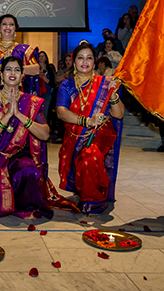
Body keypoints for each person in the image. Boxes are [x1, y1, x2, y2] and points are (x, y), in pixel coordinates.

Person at [0, 56, 79, 219]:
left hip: (19, 154)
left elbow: (45, 133)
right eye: (8, 69)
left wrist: (20, 115)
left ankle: (23, 204)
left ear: (22, 77)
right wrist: (7, 116)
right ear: (1, 75)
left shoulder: (31, 102)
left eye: (17, 70)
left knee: (29, 171)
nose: (12, 73)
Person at [56, 41, 124, 214]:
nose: (84, 62)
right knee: (81, 161)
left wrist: (113, 95)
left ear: (95, 62)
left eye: (89, 58)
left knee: (89, 156)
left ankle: (93, 199)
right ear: (74, 61)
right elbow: (61, 112)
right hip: (76, 135)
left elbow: (119, 114)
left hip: (100, 133)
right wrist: (87, 121)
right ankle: (85, 190)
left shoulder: (105, 83)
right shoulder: (67, 85)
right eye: (80, 58)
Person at [0, 14, 40, 96]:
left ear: (16, 28)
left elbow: (36, 69)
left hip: (18, 95)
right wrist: (1, 68)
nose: (8, 27)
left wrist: (15, 69)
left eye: (11, 24)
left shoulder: (24, 50)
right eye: (4, 24)